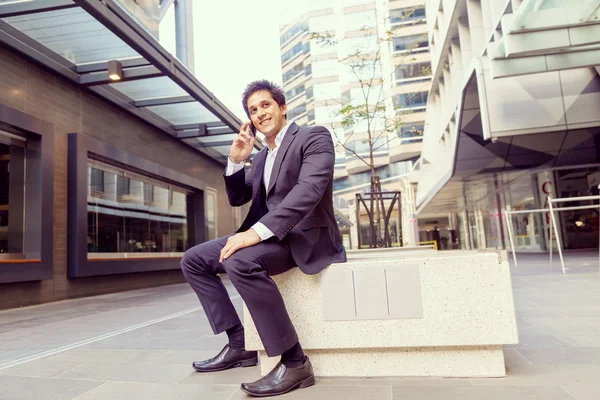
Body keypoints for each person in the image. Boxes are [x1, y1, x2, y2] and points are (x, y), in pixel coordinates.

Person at [180, 80, 347, 397]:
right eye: (253, 110)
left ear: (282, 107)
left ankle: (296, 362)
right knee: (193, 260)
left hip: (302, 237)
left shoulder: (314, 138)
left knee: (239, 261)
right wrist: (236, 161)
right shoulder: (260, 158)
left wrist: (252, 235)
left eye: (265, 105)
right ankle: (239, 343)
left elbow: (307, 192)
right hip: (267, 238)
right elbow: (237, 197)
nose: (259, 113)